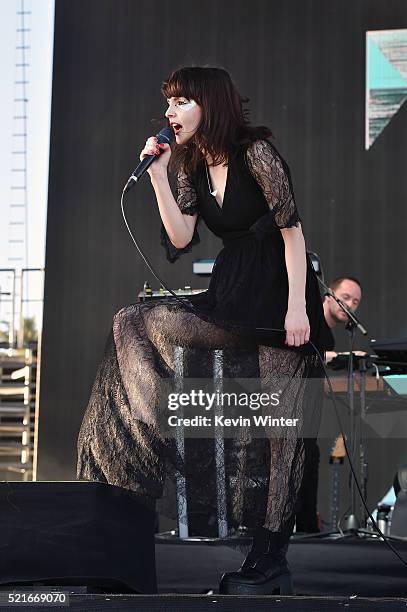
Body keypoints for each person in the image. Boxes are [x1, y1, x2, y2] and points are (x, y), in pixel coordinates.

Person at [76, 66, 331, 595]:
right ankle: (149, 433)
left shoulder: (256, 153)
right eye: (168, 102)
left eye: (182, 101)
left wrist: (297, 310)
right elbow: (181, 234)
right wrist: (157, 175)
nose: (170, 112)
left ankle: (269, 561)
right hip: (231, 295)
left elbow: (292, 232)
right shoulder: (189, 163)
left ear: (210, 105)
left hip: (279, 293)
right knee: (133, 321)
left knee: (281, 431)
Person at [296, 276, 363, 533]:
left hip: (307, 413)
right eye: (345, 297)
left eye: (355, 302)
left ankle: (306, 527)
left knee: (310, 456)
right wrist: (344, 359)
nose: (350, 305)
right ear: (328, 295)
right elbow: (303, 353)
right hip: (281, 406)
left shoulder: (330, 339)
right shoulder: (308, 319)